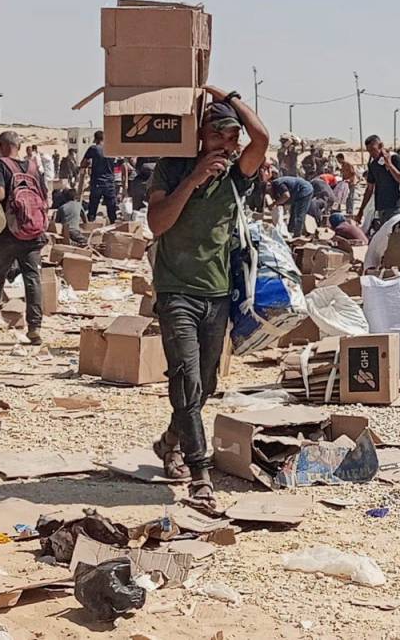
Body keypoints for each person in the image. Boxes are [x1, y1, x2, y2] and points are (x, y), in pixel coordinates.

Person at [147, 86, 268, 509]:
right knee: (186, 378)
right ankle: (200, 473)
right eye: (218, 134)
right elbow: (158, 223)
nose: (227, 144)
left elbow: (262, 137)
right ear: (198, 135)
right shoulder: (172, 168)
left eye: (232, 137)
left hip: (217, 292)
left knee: (206, 383)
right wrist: (195, 178)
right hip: (175, 289)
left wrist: (228, 95)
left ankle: (170, 441)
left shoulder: (236, 176)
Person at [0, 131, 47, 345]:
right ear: (19, 146)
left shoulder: (0, 165)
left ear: (1, 146)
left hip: (7, 234)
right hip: (32, 232)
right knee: (32, 278)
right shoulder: (33, 167)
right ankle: (35, 328)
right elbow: (44, 197)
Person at [356, 135, 400, 230]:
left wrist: (389, 165)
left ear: (380, 146)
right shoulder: (373, 165)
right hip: (380, 208)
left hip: (393, 207)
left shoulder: (394, 159)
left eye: (373, 150)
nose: (371, 154)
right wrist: (361, 211)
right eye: (369, 151)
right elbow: (369, 189)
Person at [81, 130, 119, 223]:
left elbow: (83, 163)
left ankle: (90, 227)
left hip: (97, 182)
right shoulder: (112, 149)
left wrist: (88, 164)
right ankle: (113, 227)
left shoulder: (93, 149)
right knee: (112, 210)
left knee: (92, 209)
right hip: (109, 183)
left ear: (95, 139)